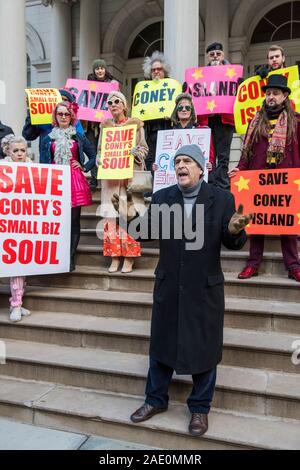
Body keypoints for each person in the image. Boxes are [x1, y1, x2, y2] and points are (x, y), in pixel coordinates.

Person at [112, 144, 251, 436]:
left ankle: (200, 408)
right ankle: (155, 400)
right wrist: (126, 217)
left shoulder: (222, 199)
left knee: (204, 347)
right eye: (177, 162)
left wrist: (236, 230)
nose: (180, 166)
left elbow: (232, 241)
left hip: (204, 289)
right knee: (162, 344)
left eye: (187, 161)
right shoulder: (163, 197)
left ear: (201, 168)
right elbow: (145, 233)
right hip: (169, 286)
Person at [229, 74, 300, 282]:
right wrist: (239, 169)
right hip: (258, 179)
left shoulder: (296, 121)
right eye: (268, 93)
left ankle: (294, 266)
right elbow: (246, 152)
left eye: (275, 93)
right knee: (257, 222)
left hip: (287, 178)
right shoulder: (255, 121)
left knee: (287, 223)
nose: (271, 97)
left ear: (285, 96)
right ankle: (253, 264)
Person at [97, 91, 148, 274]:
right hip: (111, 178)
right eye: (110, 102)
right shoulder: (106, 127)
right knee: (111, 216)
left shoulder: (136, 126)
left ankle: (129, 257)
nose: (113, 104)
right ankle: (114, 256)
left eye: (117, 101)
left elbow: (144, 149)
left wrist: (137, 153)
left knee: (129, 215)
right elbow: (100, 150)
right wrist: (99, 159)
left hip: (130, 177)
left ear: (124, 105)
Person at [44, 101, 96, 271]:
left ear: (71, 116)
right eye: (60, 114)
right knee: (57, 220)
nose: (64, 117)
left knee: (73, 220)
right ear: (55, 116)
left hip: (74, 180)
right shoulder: (47, 138)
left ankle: (70, 257)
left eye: (67, 114)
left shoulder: (78, 137)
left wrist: (84, 166)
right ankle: (57, 255)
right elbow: (43, 161)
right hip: (54, 180)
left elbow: (94, 156)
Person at [1, 135, 32, 322]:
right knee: (16, 266)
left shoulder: (35, 169)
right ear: (8, 151)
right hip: (8, 224)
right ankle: (16, 305)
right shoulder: (2, 169)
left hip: (27, 223)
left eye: (22, 150)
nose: (20, 154)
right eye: (16, 151)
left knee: (24, 265)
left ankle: (18, 301)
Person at [198, 42, 235, 191]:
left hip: (224, 119)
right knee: (210, 156)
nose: (215, 57)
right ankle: (211, 185)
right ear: (207, 57)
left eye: (218, 54)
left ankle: (223, 187)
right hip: (207, 119)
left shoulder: (232, 74)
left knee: (223, 156)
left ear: (223, 55)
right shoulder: (202, 75)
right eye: (212, 54)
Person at [22, 88, 84, 160]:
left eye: (65, 100)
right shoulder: (43, 118)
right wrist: (32, 113)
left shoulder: (75, 122)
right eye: (59, 99)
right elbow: (28, 135)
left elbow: (82, 143)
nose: (61, 102)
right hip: (47, 166)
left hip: (69, 166)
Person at [85, 59, 117, 191]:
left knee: (106, 151)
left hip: (106, 125)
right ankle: (94, 178)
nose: (100, 70)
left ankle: (106, 177)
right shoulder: (88, 85)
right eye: (97, 68)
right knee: (93, 151)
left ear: (105, 69)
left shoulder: (111, 84)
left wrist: (115, 88)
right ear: (94, 70)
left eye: (102, 68)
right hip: (92, 125)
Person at [142, 51, 171, 173]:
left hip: (166, 131)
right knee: (150, 162)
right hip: (150, 132)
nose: (156, 72)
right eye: (153, 70)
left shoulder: (171, 87)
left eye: (159, 69)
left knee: (165, 162)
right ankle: (150, 191)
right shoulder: (144, 89)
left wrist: (171, 117)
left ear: (164, 71)